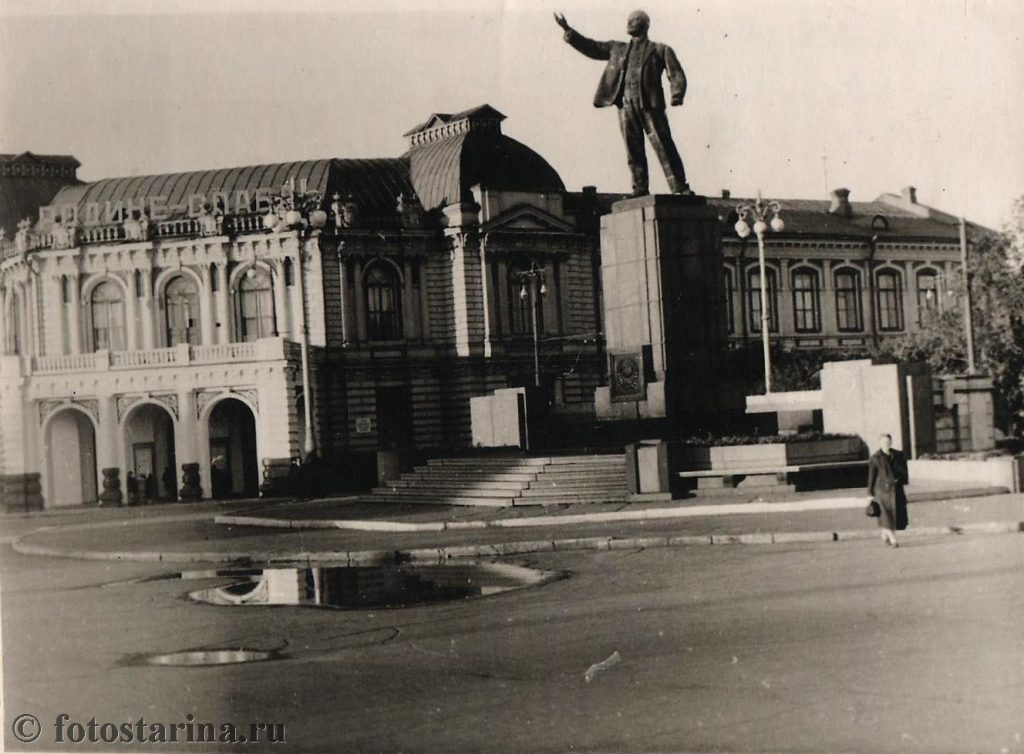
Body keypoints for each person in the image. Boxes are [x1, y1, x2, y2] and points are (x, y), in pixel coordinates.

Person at [555, 9, 690, 197]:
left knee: (663, 145)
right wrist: (568, 30)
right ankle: (640, 187)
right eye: (629, 20)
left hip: (650, 105)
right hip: (626, 104)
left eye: (634, 20)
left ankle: (680, 187)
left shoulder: (660, 49)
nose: (629, 23)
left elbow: (675, 73)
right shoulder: (617, 49)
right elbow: (592, 47)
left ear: (645, 24)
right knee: (633, 148)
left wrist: (677, 94)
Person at [866, 433, 909, 547]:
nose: (886, 444)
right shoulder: (875, 458)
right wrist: (870, 493)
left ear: (891, 442)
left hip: (896, 490)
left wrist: (900, 479)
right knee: (887, 516)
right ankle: (893, 540)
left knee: (894, 516)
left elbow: (904, 471)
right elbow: (871, 477)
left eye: (888, 442)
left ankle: (885, 535)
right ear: (880, 443)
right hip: (882, 492)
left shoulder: (898, 455)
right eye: (884, 442)